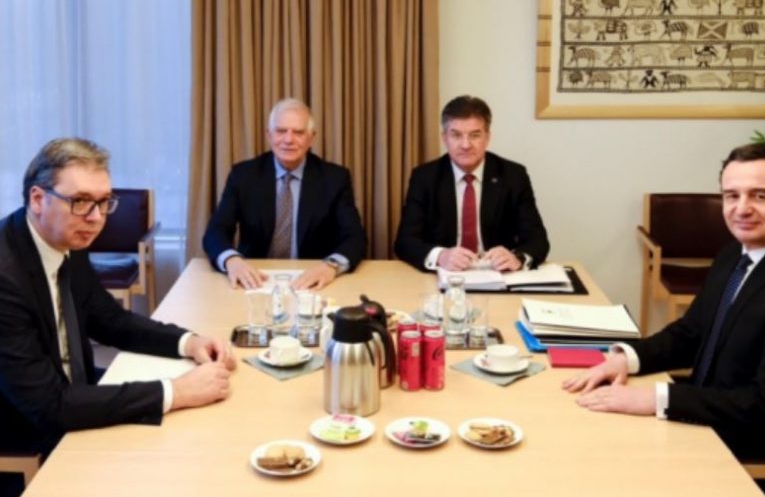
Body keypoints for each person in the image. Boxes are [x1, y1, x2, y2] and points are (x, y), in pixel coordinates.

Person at [0, 138, 236, 470]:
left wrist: (188, 341)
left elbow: (109, 319)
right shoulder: (6, 275)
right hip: (23, 421)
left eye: (103, 202)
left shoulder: (66, 238)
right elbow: (48, 406)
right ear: (38, 199)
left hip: (70, 389)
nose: (96, 218)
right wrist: (175, 392)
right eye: (81, 201)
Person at [563, 142, 765, 461]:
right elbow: (691, 333)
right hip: (704, 413)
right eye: (732, 195)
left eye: (759, 196)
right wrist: (627, 358)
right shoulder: (732, 255)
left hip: (746, 448)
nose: (742, 208)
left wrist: (657, 399)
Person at [202, 98, 367, 290]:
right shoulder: (243, 175)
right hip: (255, 279)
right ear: (269, 135)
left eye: (298, 132)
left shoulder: (334, 178)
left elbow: (355, 237)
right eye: (281, 131)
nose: (288, 140)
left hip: (312, 282)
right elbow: (216, 230)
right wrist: (231, 260)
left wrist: (331, 266)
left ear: (311, 138)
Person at [394, 95, 549, 272]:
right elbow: (405, 242)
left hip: (498, 274)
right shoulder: (424, 177)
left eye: (475, 135)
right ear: (444, 138)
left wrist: (517, 257)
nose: (466, 145)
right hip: (446, 275)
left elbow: (538, 241)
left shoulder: (513, 175)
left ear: (487, 137)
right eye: (456, 135)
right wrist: (440, 256)